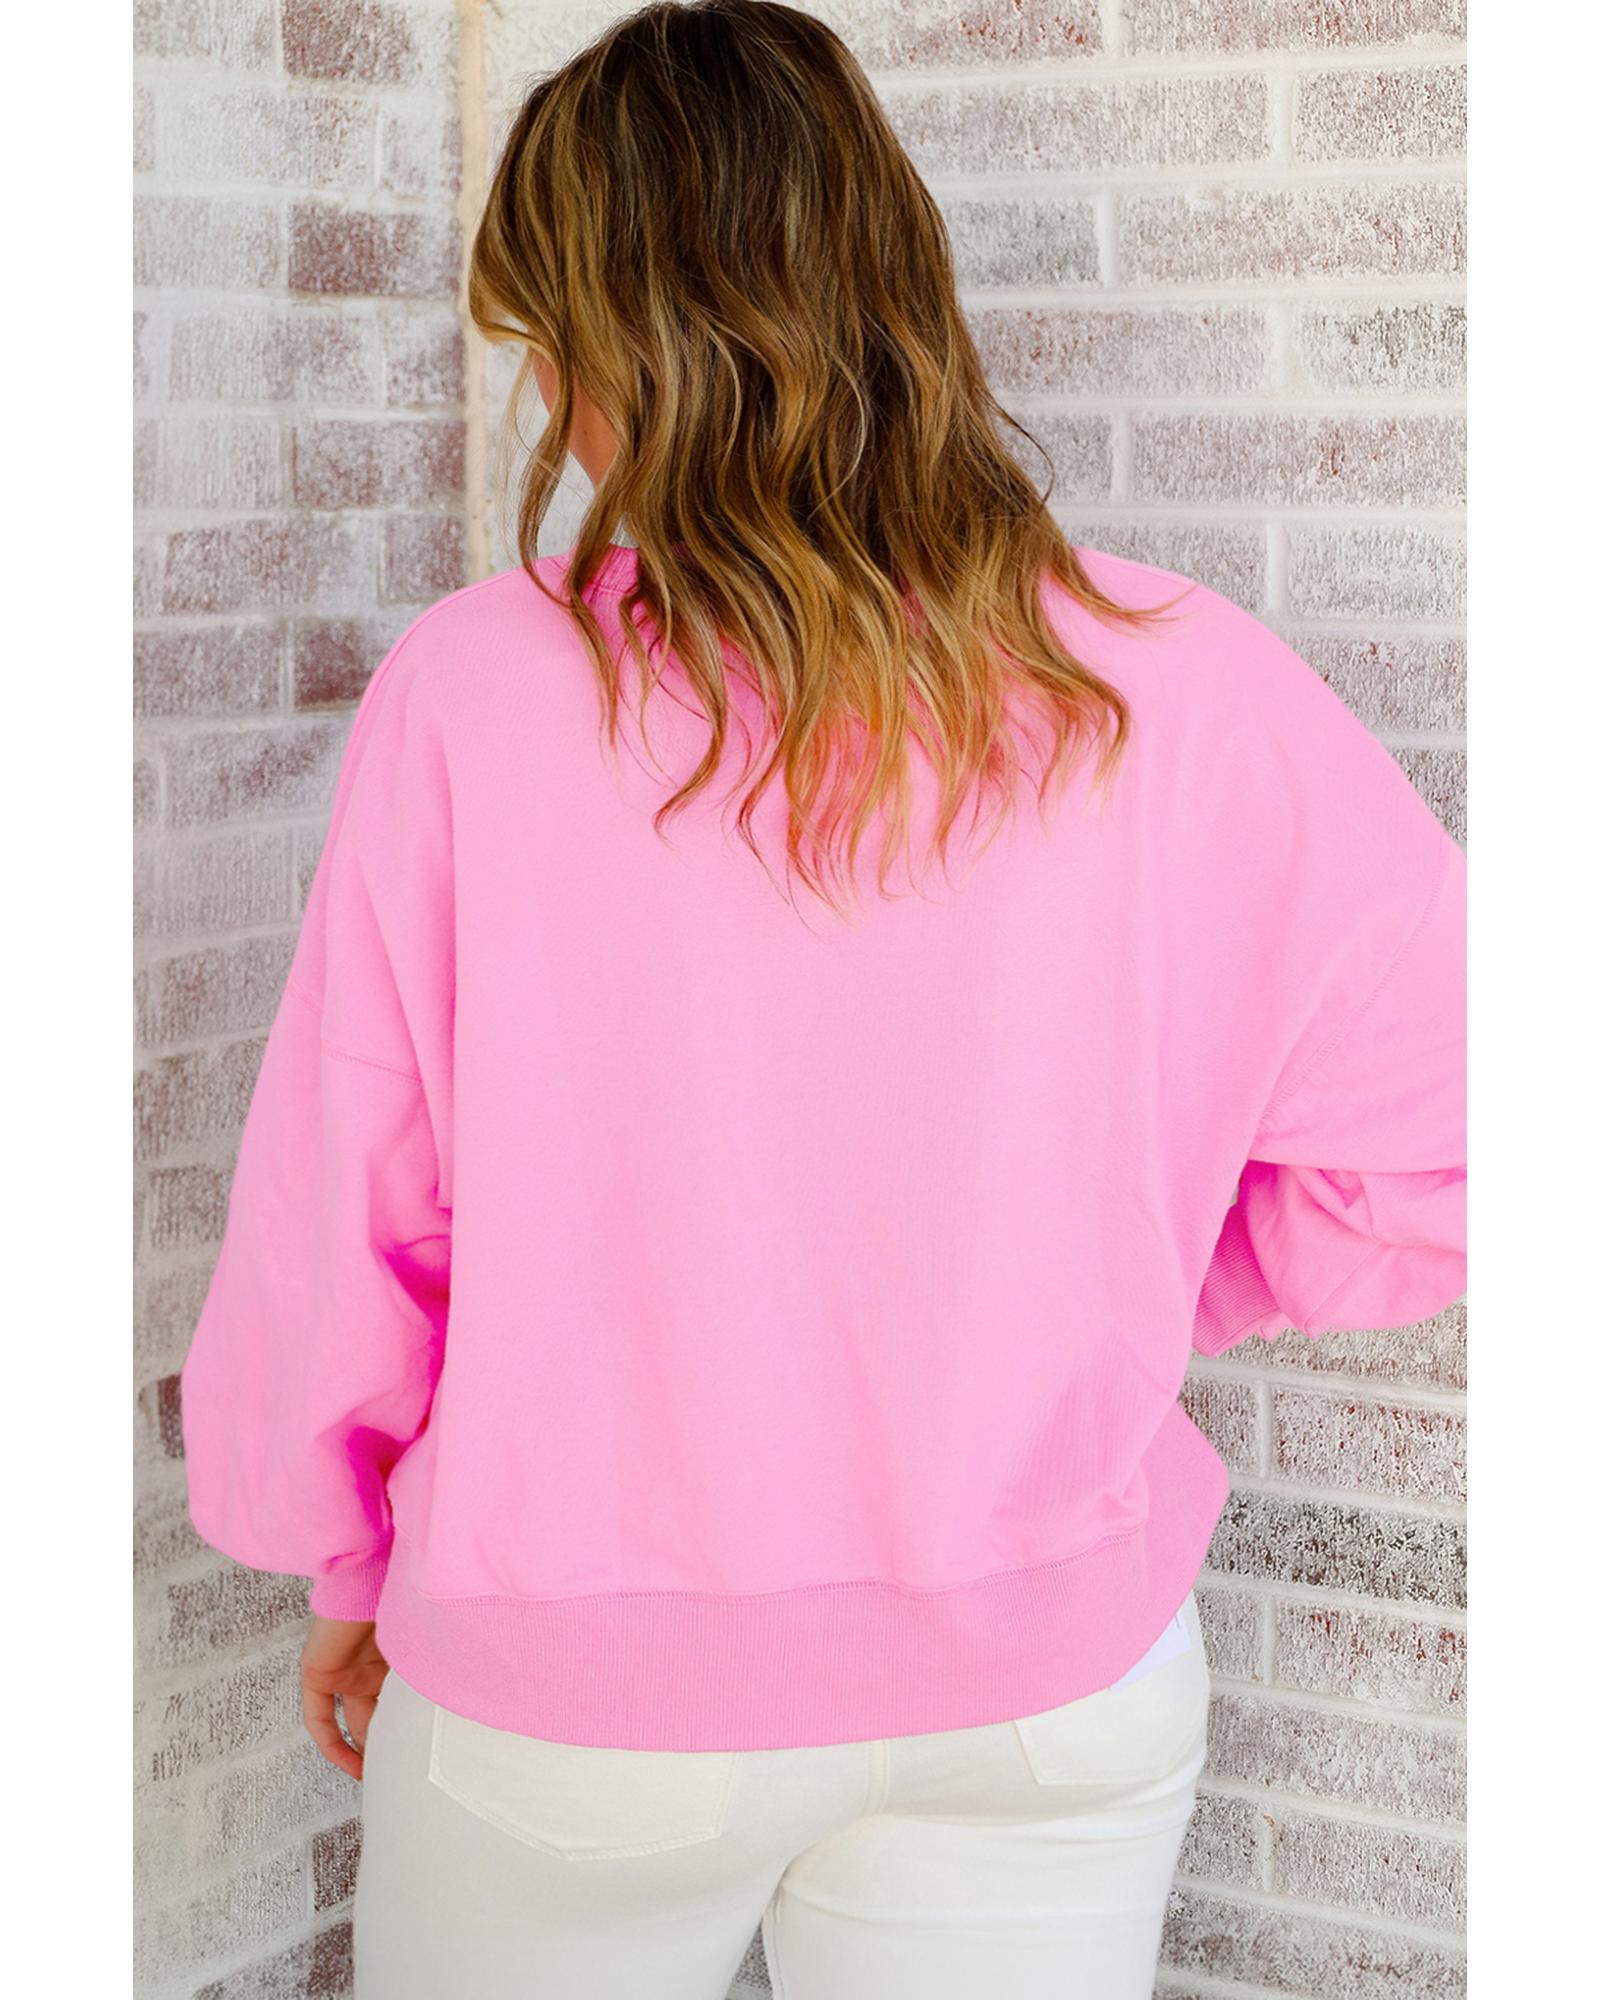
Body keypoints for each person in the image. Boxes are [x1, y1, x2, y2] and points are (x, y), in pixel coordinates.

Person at [177, 5, 1467, 1996]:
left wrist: (347, 1557)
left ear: (623, 350)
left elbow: (358, 1195)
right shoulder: (1182, 681)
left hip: (571, 1710)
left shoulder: (471, 694)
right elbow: (1456, 1141)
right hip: (1048, 1698)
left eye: (551, 351)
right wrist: (1090, 1299)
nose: (552, 410)